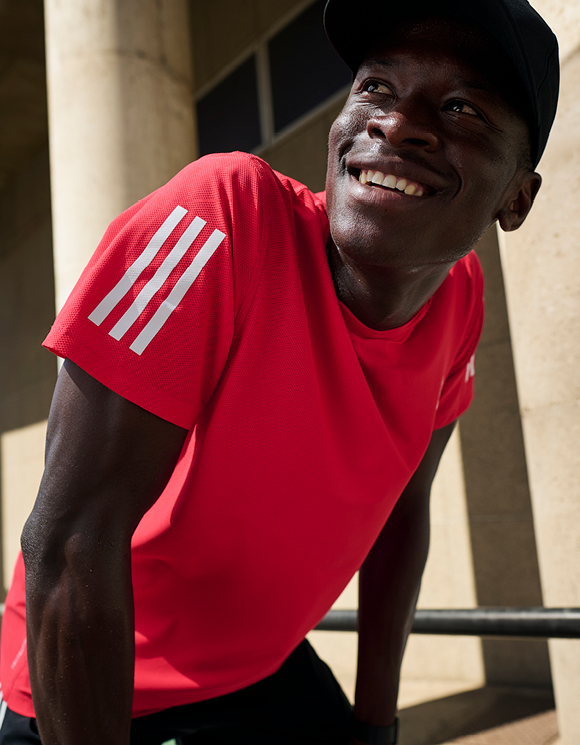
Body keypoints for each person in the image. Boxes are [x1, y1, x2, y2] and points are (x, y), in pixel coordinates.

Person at [0, 0, 559, 743]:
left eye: (461, 108)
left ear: (517, 198)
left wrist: (376, 724)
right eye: (376, 88)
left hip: (261, 667)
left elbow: (404, 511)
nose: (397, 123)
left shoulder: (460, 299)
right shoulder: (223, 220)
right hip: (106, 682)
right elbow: (69, 543)